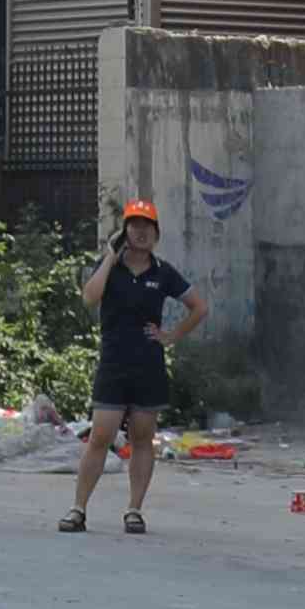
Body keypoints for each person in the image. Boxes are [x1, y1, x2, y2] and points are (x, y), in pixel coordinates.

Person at [61, 193, 203, 535]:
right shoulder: (109, 267)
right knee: (101, 435)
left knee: (142, 438)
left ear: (155, 234)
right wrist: (110, 257)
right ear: (124, 231)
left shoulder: (163, 273)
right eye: (133, 226)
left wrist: (171, 335)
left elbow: (199, 307)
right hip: (114, 364)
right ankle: (78, 509)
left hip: (148, 366)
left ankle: (134, 510)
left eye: (146, 227)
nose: (140, 232)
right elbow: (89, 298)